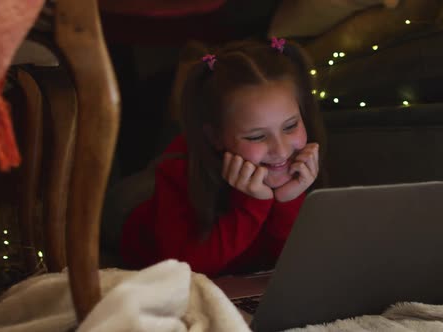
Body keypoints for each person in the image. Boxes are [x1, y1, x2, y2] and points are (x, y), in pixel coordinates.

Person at [120, 37, 327, 277]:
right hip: (135, 208)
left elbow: (297, 264)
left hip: (202, 155)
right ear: (216, 137)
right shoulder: (175, 173)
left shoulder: (297, 167)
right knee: (131, 191)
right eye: (257, 137)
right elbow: (188, 271)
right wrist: (254, 203)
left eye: (290, 126)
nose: (281, 151)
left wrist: (287, 198)